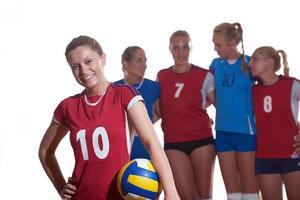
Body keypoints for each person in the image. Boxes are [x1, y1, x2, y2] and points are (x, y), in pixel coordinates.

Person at [38, 35, 180, 200]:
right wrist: (61, 187)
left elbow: (152, 143)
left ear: (102, 58)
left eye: (88, 61)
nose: (83, 71)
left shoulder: (124, 94)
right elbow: (45, 151)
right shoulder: (67, 107)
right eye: (75, 66)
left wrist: (172, 192)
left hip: (120, 196)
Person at [156, 30, 216, 200]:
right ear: (170, 49)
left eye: (185, 47)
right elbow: (158, 111)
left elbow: (223, 106)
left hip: (202, 141)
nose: (181, 52)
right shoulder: (162, 76)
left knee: (204, 196)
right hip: (174, 143)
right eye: (176, 47)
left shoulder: (204, 75)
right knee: (186, 196)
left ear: (191, 49)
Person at [210, 22, 259, 200]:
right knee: (232, 191)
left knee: (250, 189)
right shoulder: (216, 64)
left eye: (218, 45)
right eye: (214, 44)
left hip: (246, 132)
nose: (215, 49)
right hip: (223, 132)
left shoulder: (250, 63)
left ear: (232, 42)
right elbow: (208, 93)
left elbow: (267, 90)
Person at [250, 46, 300, 200]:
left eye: (255, 59)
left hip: (292, 155)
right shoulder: (253, 91)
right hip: (265, 157)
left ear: (269, 62)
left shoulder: (291, 84)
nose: (250, 63)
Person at [114, 46, 160, 160]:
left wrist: (142, 125)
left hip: (146, 148)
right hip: (121, 148)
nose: (144, 65)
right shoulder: (114, 88)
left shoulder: (153, 87)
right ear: (126, 63)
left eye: (145, 60)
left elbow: (159, 113)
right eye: (139, 60)